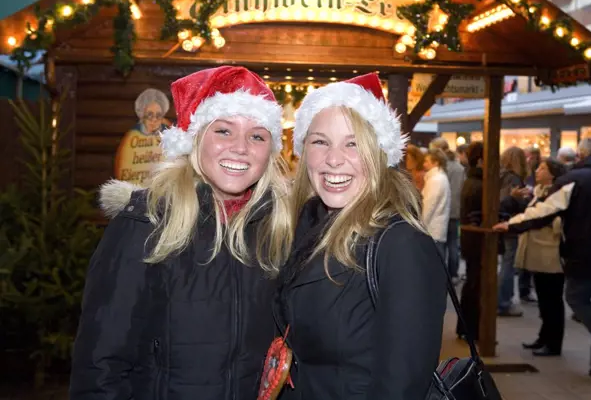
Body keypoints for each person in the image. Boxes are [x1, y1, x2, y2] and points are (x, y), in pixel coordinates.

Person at [70, 67, 294, 400]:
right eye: (223, 131)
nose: (241, 148)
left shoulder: (279, 229)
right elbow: (101, 363)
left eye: (257, 136)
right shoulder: (145, 221)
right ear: (194, 140)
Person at [277, 73, 447, 400]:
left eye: (352, 143)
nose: (334, 159)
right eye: (320, 141)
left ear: (378, 153)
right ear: (303, 151)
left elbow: (401, 384)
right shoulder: (303, 228)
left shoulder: (401, 245)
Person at [494, 138, 591, 382]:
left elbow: (545, 211)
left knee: (575, 298)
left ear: (581, 156)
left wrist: (512, 224)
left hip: (584, 255)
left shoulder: (573, 181)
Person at [512, 159, 567, 357]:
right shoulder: (540, 190)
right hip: (539, 252)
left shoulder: (555, 194)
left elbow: (542, 217)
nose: (537, 170)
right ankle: (544, 337)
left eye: (543, 168)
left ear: (553, 174)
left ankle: (553, 343)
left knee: (552, 299)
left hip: (550, 254)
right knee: (544, 298)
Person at [498, 147, 532, 317]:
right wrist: (524, 200)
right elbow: (508, 201)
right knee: (508, 264)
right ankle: (503, 301)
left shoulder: (499, 175)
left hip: (501, 221)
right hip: (510, 223)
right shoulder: (513, 178)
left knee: (505, 263)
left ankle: (502, 300)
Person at [458, 141, 484, 341]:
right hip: (477, 239)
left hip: (471, 238)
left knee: (472, 281)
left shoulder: (471, 180)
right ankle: (471, 328)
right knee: (475, 283)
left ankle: (466, 327)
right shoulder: (479, 183)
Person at [430, 137, 466, 278]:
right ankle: (454, 273)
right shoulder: (459, 167)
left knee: (442, 245)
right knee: (453, 243)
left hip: (443, 209)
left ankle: (443, 275)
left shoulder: (442, 167)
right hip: (456, 210)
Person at [422, 148, 452, 264]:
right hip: (435, 228)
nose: (424, 164)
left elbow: (429, 205)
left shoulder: (436, 180)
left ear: (436, 163)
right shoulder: (438, 178)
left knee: (435, 262)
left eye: (427, 161)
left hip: (433, 229)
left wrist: (420, 225)